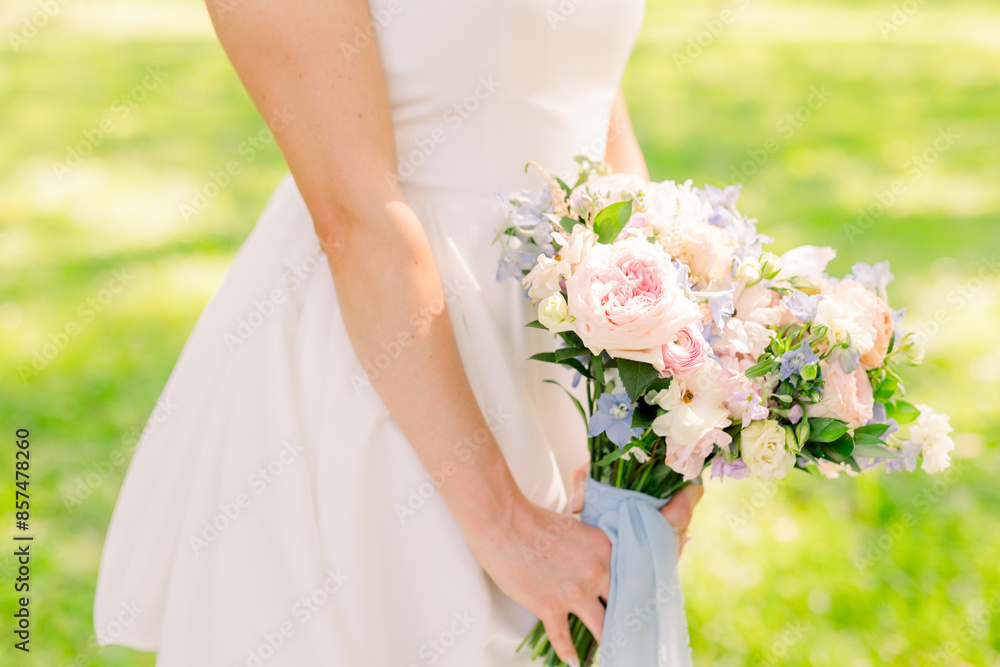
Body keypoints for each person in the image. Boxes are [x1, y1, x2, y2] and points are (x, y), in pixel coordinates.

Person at [94, 1, 703, 665]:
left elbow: (587, 103)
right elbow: (356, 216)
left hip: (569, 364)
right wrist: (505, 523)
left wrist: (663, 411)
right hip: (393, 377)